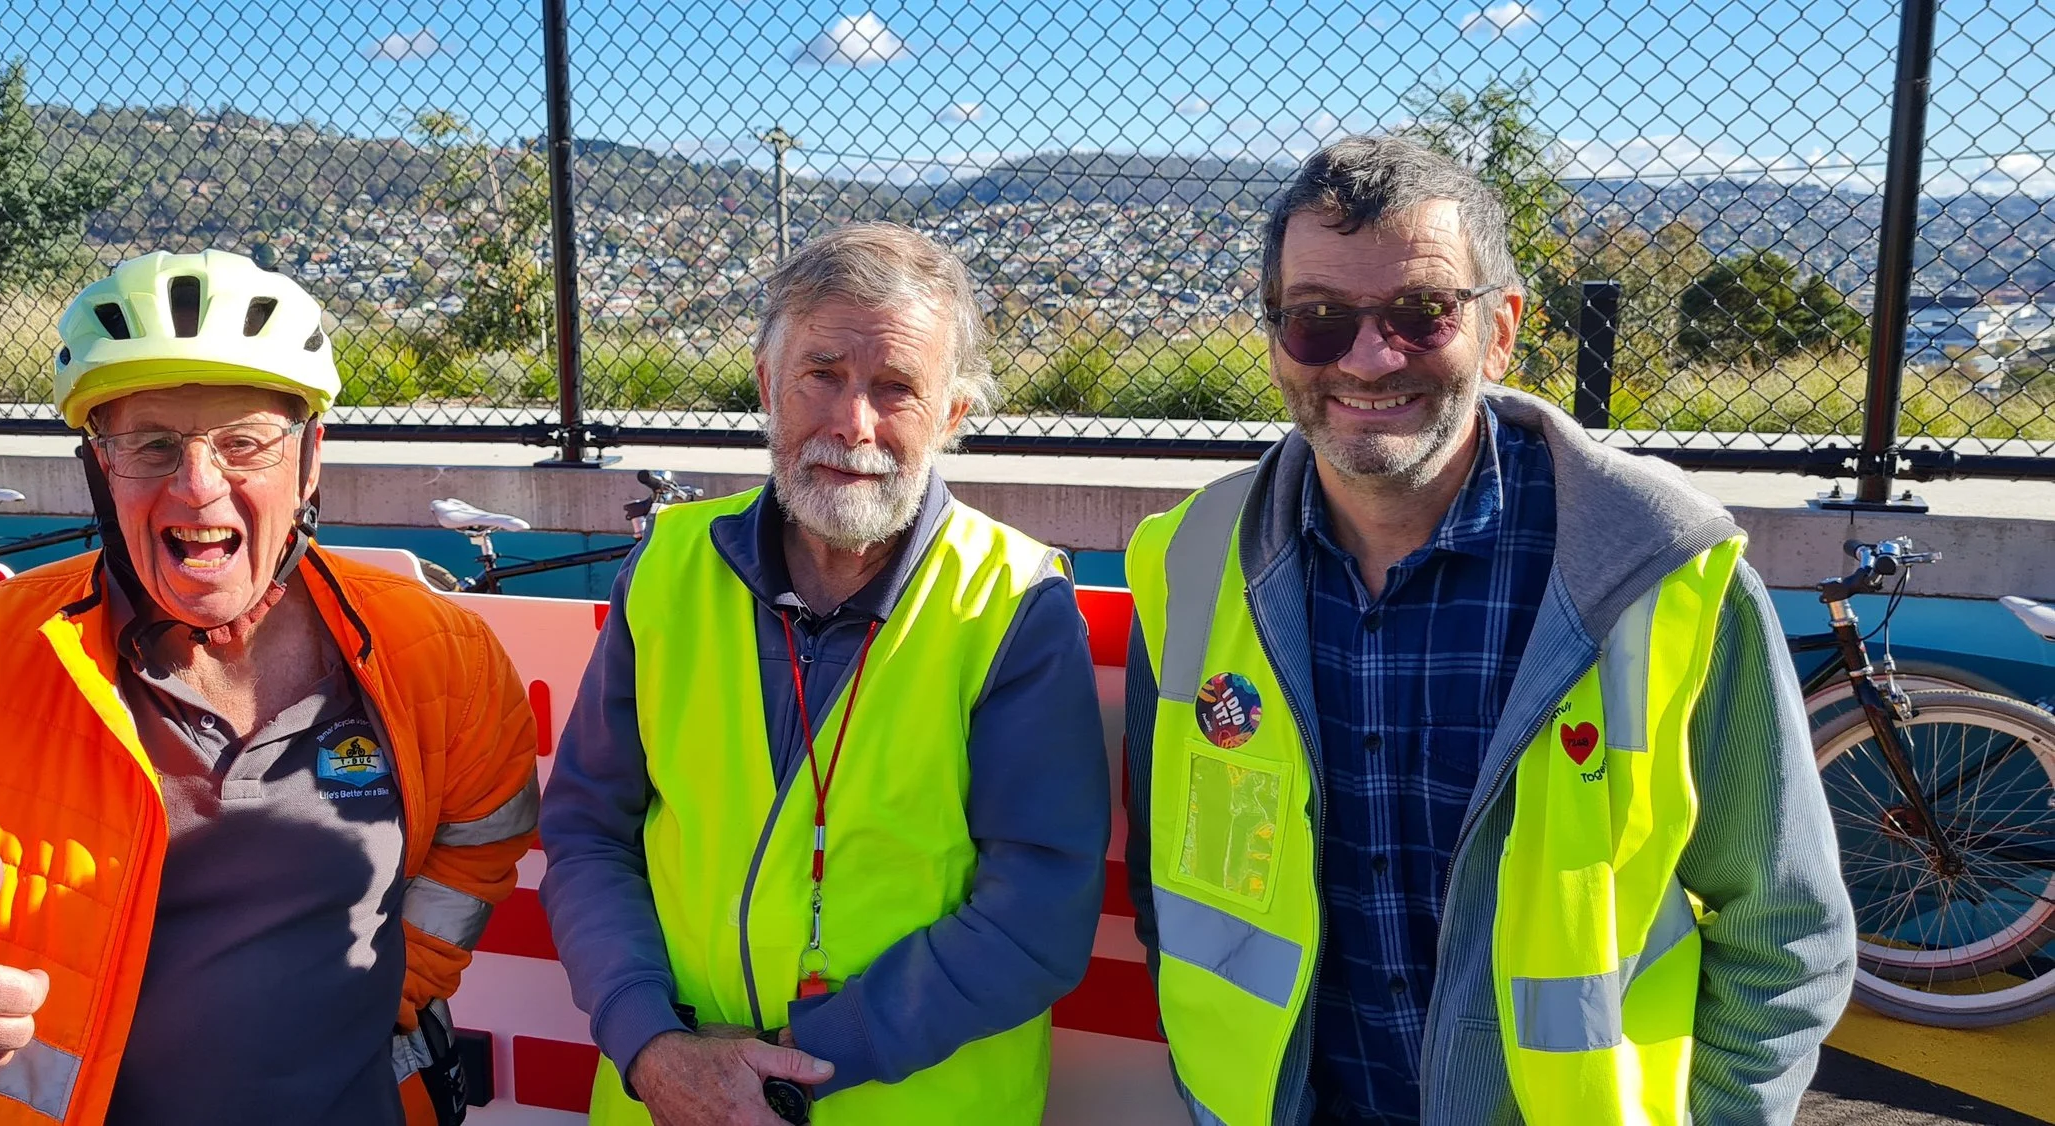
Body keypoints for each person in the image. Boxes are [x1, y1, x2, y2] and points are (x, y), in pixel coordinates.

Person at [0, 249, 541, 1126]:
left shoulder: (437, 652)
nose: (198, 486)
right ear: (99, 469)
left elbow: (483, 838)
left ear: (310, 459)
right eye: (150, 445)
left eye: (244, 442)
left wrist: (408, 985)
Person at [1123, 136, 1856, 1125]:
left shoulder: (1656, 575)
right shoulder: (1190, 565)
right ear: (1273, 338)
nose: (1368, 356)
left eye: (1420, 313)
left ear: (1500, 327)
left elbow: (1783, 934)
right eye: (1316, 320)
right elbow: (1172, 894)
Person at [539, 222, 1110, 1125]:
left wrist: (792, 1073)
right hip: (666, 1100)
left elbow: (1038, 910)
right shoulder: (666, 568)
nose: (854, 424)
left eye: (896, 389)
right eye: (822, 375)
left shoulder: (1013, 601)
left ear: (952, 417)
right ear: (768, 383)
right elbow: (587, 833)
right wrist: (653, 1045)